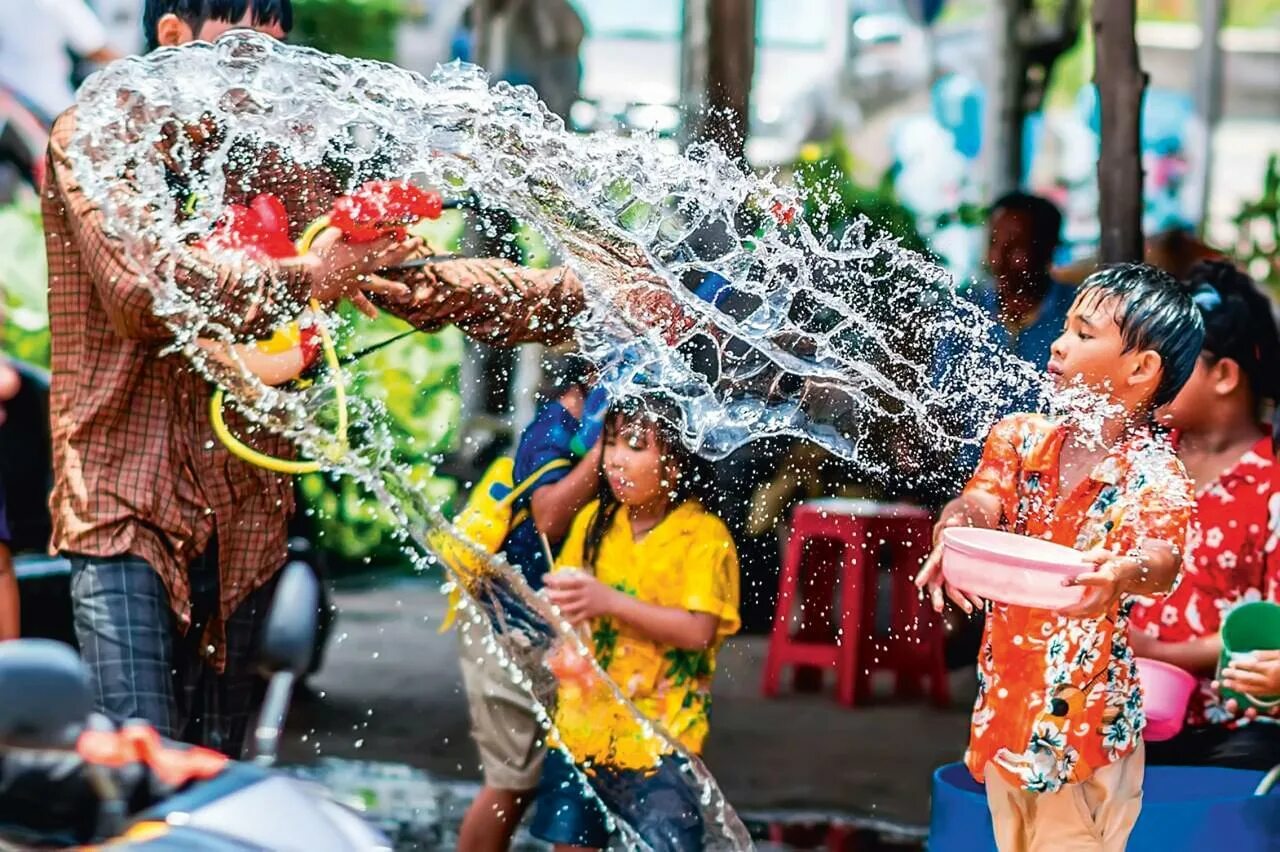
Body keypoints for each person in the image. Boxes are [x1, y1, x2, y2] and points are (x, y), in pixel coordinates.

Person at [45, 0, 609, 757]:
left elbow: (405, 278)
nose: (261, 75)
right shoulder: (99, 134)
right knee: (140, 764)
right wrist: (309, 274)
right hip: (125, 506)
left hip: (246, 514)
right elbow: (145, 292)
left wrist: (584, 299)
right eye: (241, 48)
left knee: (222, 769)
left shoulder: (278, 158)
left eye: (277, 51)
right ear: (171, 37)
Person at [916, 263, 1204, 852]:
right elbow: (978, 502)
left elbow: (1161, 560)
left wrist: (1125, 571)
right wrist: (954, 529)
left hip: (1087, 731)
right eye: (1066, 326)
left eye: (1083, 332)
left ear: (1142, 369)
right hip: (1006, 711)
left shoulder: (1153, 473)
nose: (1057, 342)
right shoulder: (1019, 439)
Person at [531, 394, 740, 852]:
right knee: (571, 845)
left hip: (662, 741)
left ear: (677, 462)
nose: (615, 459)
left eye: (635, 444)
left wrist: (606, 601)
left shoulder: (704, 539)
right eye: (609, 443)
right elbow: (564, 609)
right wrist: (557, 609)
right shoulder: (592, 522)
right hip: (583, 729)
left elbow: (697, 630)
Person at [1127, 261, 1280, 770]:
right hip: (1129, 705)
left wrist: (1157, 652)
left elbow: (1271, 634)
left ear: (1225, 375)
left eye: (1173, 359)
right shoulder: (1142, 460)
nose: (1150, 371)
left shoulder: (1271, 483)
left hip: (1234, 726)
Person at [456, 353, 604, 852]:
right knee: (511, 783)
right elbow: (548, 516)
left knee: (575, 779)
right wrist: (602, 454)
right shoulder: (553, 430)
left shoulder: (584, 428)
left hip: (553, 627)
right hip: (505, 620)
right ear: (592, 378)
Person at [0, 0, 122, 122]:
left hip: (8, 99)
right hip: (47, 105)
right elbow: (95, 48)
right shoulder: (60, 3)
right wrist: (133, 69)